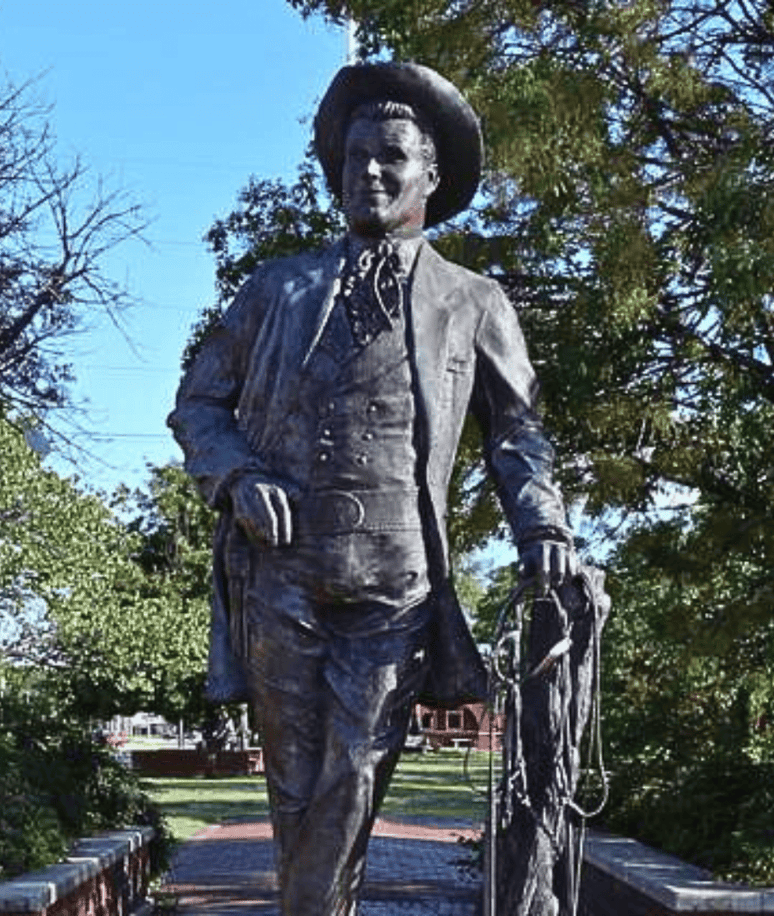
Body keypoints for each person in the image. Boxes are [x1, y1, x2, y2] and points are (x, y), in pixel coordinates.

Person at [168, 61, 575, 916]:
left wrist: (544, 528)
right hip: (280, 575)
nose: (370, 173)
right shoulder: (276, 288)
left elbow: (517, 432)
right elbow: (198, 404)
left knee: (354, 775)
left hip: (399, 582)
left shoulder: (475, 302)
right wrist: (237, 474)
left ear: (431, 173)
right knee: (294, 794)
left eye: (391, 156)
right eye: (355, 157)